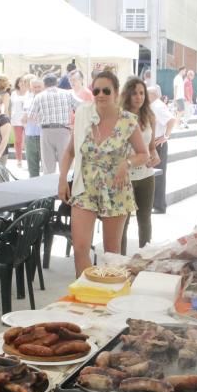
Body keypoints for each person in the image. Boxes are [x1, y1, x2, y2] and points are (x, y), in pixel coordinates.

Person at [58, 70, 148, 276]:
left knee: (111, 254)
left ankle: (107, 297)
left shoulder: (128, 121)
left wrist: (127, 163)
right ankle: (85, 291)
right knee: (80, 247)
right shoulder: (84, 115)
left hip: (116, 190)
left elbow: (143, 154)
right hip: (84, 187)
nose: (100, 94)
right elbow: (70, 151)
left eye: (106, 90)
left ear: (116, 93)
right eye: (96, 90)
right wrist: (63, 179)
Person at [119, 76, 160, 248]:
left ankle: (145, 258)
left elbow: (151, 146)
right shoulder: (120, 117)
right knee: (123, 222)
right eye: (135, 93)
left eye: (142, 93)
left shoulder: (149, 116)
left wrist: (155, 156)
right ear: (127, 95)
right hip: (125, 176)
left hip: (146, 176)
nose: (139, 97)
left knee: (145, 219)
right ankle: (119, 263)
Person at [28, 74, 80, 174]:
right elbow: (81, 107)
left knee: (48, 165)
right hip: (63, 130)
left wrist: (40, 119)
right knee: (65, 163)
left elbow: (31, 116)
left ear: (44, 84)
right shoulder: (68, 94)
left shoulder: (39, 96)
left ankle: (49, 187)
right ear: (57, 83)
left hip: (46, 131)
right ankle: (66, 186)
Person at [147, 84, 176, 213]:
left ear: (153, 95)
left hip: (158, 143)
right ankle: (156, 204)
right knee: (156, 175)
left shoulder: (157, 106)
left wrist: (166, 136)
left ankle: (159, 205)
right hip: (156, 142)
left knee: (158, 175)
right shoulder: (155, 105)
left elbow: (171, 120)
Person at [24, 76, 44, 177]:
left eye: (39, 86)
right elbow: (24, 118)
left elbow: (31, 117)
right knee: (32, 167)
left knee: (46, 167)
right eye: (34, 87)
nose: (37, 89)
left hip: (43, 135)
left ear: (43, 86)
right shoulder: (27, 99)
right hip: (30, 135)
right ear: (31, 87)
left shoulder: (46, 98)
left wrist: (30, 116)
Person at [9, 75, 31, 167]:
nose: (22, 83)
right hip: (16, 119)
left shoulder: (30, 93)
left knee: (29, 140)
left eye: (24, 81)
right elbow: (10, 106)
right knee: (18, 140)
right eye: (20, 81)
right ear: (17, 83)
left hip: (28, 120)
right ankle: (19, 160)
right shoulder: (13, 93)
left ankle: (30, 159)